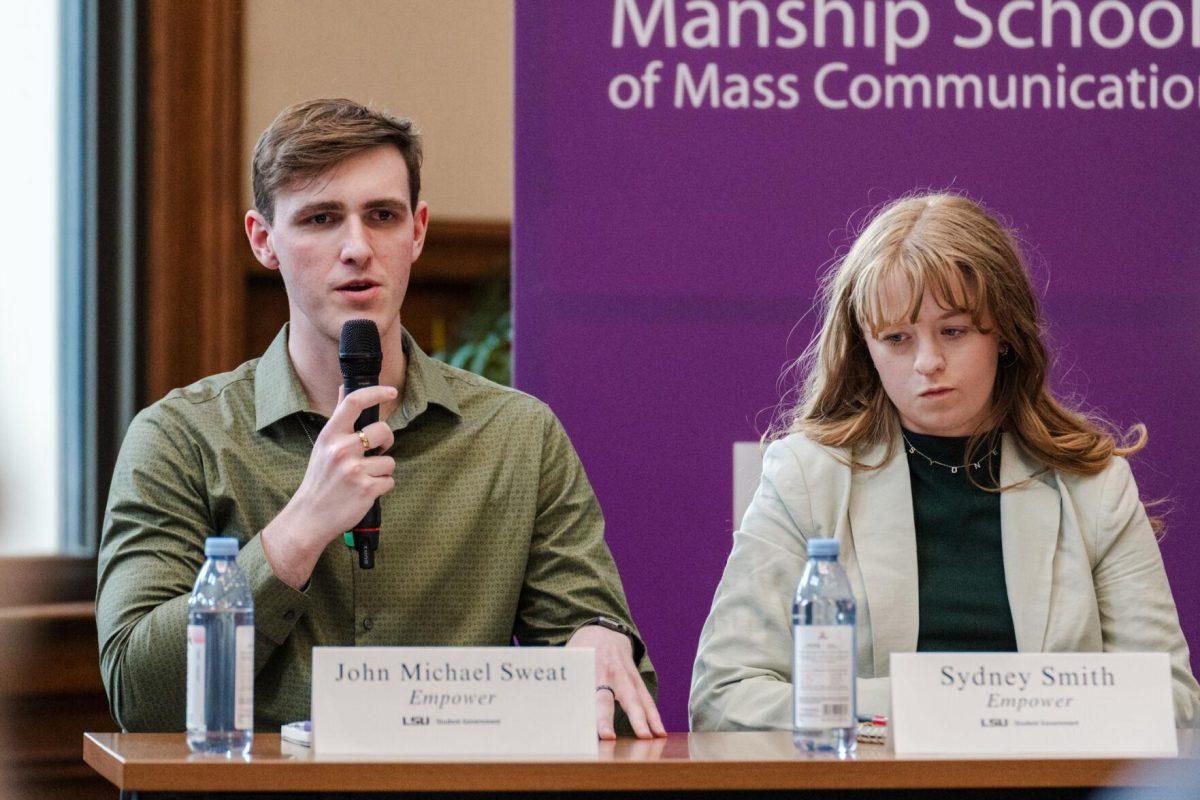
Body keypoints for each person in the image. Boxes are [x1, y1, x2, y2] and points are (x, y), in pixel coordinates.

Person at [96, 98, 665, 740]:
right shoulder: (181, 439)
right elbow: (138, 695)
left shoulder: (518, 436)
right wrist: (300, 530)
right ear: (264, 241)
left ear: (417, 231)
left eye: (382, 216)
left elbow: (618, 707)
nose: (357, 248)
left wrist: (595, 642)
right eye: (320, 219)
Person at [689, 192, 1200, 730]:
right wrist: (931, 706)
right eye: (897, 339)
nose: (928, 362)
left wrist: (990, 711)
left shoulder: (1093, 484)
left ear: (1004, 333)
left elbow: (1173, 702)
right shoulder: (806, 477)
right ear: (866, 348)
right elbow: (726, 697)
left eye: (953, 331)